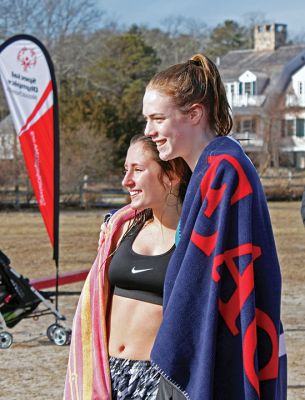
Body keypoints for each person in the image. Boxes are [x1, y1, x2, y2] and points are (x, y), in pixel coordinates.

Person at [143, 55, 287, 400]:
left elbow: (203, 280)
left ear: (194, 114)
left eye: (158, 119)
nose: (149, 131)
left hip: (218, 353)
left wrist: (174, 349)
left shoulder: (224, 168)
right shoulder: (207, 167)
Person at [64, 134, 191, 400]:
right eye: (125, 170)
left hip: (157, 380)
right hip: (106, 374)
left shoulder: (194, 239)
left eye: (138, 170)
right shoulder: (122, 228)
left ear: (172, 175)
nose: (126, 181)